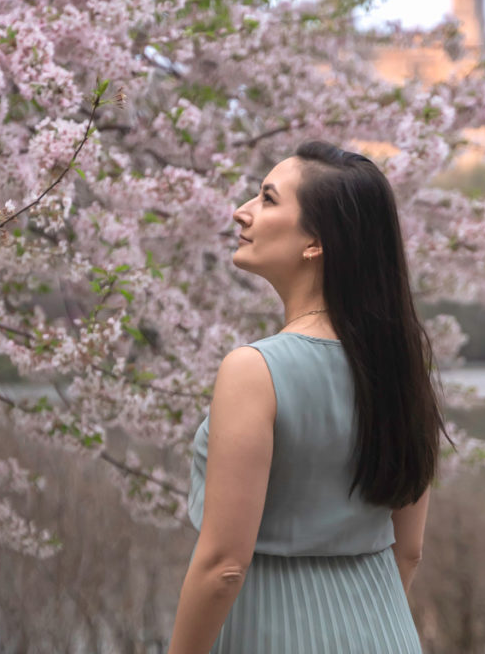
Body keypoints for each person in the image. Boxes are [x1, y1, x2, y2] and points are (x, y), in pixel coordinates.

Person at [168, 141, 449, 654]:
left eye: (268, 199)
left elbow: (223, 566)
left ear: (316, 241)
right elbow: (408, 551)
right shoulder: (403, 370)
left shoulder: (254, 371)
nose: (243, 210)